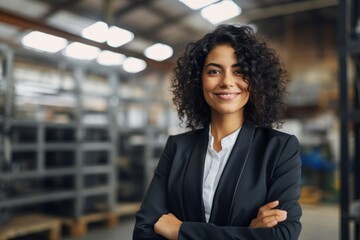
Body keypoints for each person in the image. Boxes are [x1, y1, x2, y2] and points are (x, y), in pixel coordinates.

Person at [133, 24, 302, 240]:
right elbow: (143, 231)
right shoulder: (177, 147)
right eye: (214, 71)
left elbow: (283, 235)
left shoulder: (280, 149)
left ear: (256, 81)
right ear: (198, 80)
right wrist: (249, 234)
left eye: (239, 71)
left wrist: (180, 231)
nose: (227, 82)